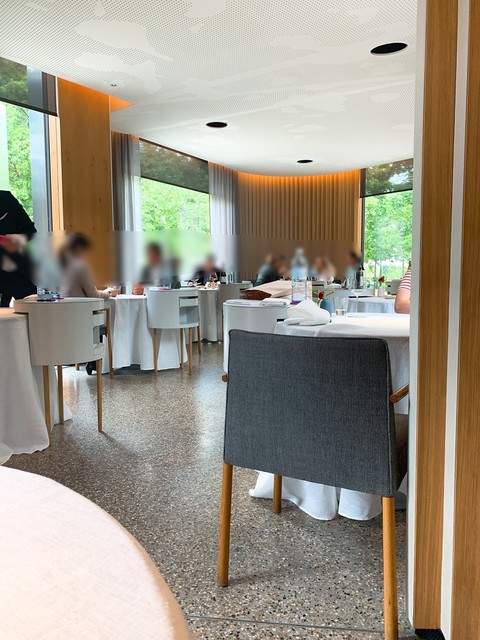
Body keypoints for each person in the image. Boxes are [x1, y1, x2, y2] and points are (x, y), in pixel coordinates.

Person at [0, 190, 37, 307]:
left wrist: (10, 240)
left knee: (33, 311)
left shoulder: (5, 198)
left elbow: (30, 231)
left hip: (19, 270)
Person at [59, 233, 116, 299]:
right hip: (81, 304)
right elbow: (93, 295)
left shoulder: (63, 264)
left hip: (65, 304)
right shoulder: (80, 266)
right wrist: (109, 293)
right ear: (79, 248)